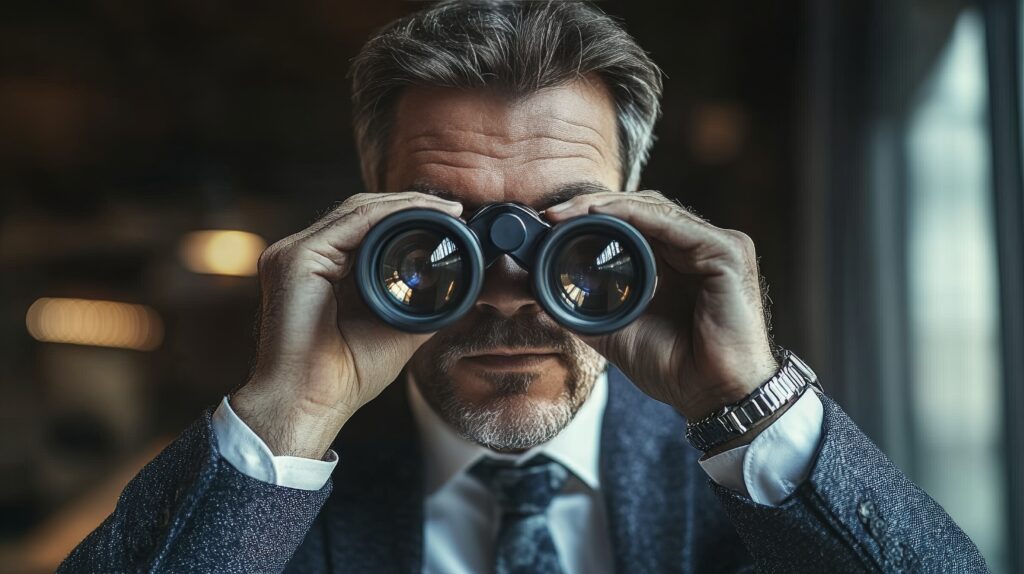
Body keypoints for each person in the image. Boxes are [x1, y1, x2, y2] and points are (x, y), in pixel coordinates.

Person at [59, 1, 987, 572]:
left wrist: (749, 406)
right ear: (371, 216)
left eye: (570, 234)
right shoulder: (271, 501)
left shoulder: (755, 491)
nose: (507, 294)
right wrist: (283, 422)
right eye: (441, 235)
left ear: (644, 220)